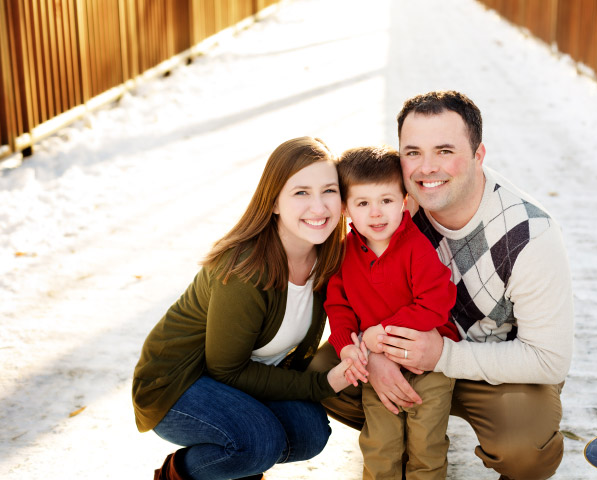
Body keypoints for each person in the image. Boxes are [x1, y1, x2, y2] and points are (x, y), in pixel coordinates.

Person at [310, 91, 574, 480]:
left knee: (525, 448)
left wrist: (441, 357)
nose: (426, 168)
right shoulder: (395, 209)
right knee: (323, 373)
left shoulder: (529, 234)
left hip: (493, 367)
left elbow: (549, 359)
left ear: (478, 155)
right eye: (412, 152)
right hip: (402, 349)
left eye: (445, 150)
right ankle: (398, 440)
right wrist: (376, 349)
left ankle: (432, 446)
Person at [132, 137, 355, 480]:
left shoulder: (329, 256)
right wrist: (321, 385)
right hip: (179, 383)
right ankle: (178, 475)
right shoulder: (244, 272)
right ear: (275, 202)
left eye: (329, 190)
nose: (319, 206)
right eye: (301, 192)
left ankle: (236, 466)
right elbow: (226, 370)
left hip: (241, 379)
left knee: (310, 435)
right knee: (257, 443)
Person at [324, 146, 461, 480]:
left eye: (386, 201)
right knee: (380, 443)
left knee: (425, 444)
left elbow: (436, 301)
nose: (376, 213)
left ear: (404, 201)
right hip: (377, 363)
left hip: (428, 363)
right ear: (345, 209)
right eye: (363, 203)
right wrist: (346, 344)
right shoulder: (344, 254)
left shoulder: (415, 247)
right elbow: (338, 305)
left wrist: (381, 332)